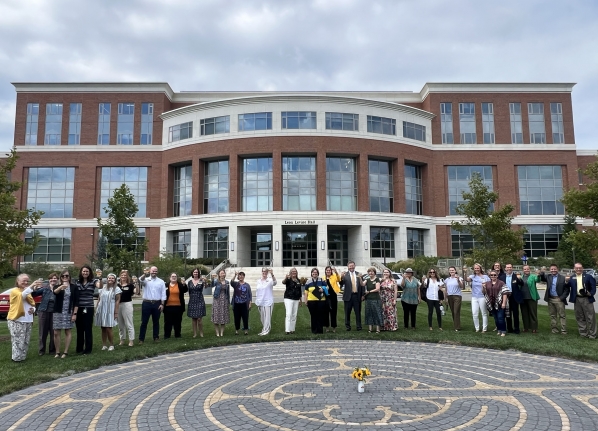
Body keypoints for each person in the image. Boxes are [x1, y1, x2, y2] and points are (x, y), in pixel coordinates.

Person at [7, 274, 38, 362]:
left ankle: (22, 357)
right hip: (17, 319)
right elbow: (21, 296)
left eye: (27, 281)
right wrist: (31, 286)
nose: (26, 282)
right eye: (24, 280)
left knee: (25, 340)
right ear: (18, 281)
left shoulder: (27, 291)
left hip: (27, 320)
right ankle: (16, 358)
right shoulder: (14, 291)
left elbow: (32, 303)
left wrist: (33, 309)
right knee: (17, 340)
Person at [567, 262, 597, 339]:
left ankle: (592, 334)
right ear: (574, 269)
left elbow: (593, 287)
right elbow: (567, 286)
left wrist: (590, 293)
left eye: (580, 268)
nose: (578, 269)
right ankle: (583, 333)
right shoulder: (572, 277)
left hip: (587, 298)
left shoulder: (588, 276)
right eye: (577, 268)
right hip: (577, 299)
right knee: (579, 316)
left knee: (590, 316)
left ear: (582, 268)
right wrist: (566, 281)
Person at [539, 264, 570, 334]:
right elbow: (542, 278)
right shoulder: (548, 277)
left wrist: (561, 298)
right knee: (553, 316)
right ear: (550, 270)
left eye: (554, 269)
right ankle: (554, 330)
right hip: (550, 299)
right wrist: (542, 272)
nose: (553, 270)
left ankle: (563, 330)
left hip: (559, 299)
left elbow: (567, 290)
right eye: (552, 269)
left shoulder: (562, 278)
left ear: (557, 269)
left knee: (562, 316)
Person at [31, 272, 57, 355]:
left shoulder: (59, 289)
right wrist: (34, 287)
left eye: (55, 278)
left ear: (57, 280)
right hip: (43, 311)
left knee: (53, 332)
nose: (53, 279)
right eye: (52, 278)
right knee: (43, 332)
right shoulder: (45, 288)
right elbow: (33, 294)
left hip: (54, 312)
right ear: (49, 280)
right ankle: (41, 350)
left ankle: (52, 350)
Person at [138, 266, 166, 344]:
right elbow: (140, 280)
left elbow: (163, 294)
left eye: (156, 271)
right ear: (150, 271)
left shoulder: (161, 281)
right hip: (146, 303)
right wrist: (144, 274)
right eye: (153, 271)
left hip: (157, 303)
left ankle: (156, 337)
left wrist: (162, 304)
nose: (154, 272)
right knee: (144, 322)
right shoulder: (146, 280)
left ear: (157, 272)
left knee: (156, 322)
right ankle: (141, 339)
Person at [72, 265, 96, 354]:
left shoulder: (93, 281)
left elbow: (99, 285)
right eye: (84, 271)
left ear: (89, 273)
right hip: (78, 308)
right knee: (79, 328)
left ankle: (88, 349)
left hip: (88, 308)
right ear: (81, 272)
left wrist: (100, 278)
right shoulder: (77, 282)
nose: (85, 273)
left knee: (88, 328)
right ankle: (79, 349)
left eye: (87, 271)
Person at [94, 273, 122, 351]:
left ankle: (111, 344)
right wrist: (96, 308)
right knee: (103, 327)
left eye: (112, 278)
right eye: (109, 278)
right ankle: (104, 345)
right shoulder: (103, 287)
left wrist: (116, 312)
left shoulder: (117, 289)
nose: (110, 279)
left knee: (108, 328)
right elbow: (99, 299)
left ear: (115, 280)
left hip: (110, 309)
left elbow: (117, 301)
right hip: (102, 308)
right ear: (107, 279)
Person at [52, 270, 75, 358]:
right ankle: (57, 352)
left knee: (67, 331)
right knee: (56, 332)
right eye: (63, 276)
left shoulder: (73, 287)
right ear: (61, 277)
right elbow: (55, 292)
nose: (65, 277)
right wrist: (61, 287)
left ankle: (65, 352)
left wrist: (74, 313)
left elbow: (76, 302)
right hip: (58, 311)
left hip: (68, 312)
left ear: (69, 277)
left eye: (67, 276)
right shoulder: (57, 286)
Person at [499, 263, 524, 334]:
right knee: (508, 314)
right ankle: (509, 328)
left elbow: (521, 284)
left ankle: (517, 329)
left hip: (514, 297)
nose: (509, 268)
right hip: (506, 297)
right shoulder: (502, 277)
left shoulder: (516, 276)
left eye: (510, 267)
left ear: (512, 268)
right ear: (505, 268)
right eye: (507, 267)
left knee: (516, 314)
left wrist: (519, 279)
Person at [483, 270, 509, 336]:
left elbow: (505, 293)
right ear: (490, 276)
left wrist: (504, 303)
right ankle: (499, 330)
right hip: (492, 304)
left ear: (497, 275)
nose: (493, 276)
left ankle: (503, 331)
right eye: (491, 275)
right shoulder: (487, 283)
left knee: (500, 318)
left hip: (499, 303)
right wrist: (483, 287)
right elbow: (484, 293)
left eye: (495, 275)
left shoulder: (501, 283)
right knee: (496, 318)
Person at [341, 261, 364, 331]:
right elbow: (341, 284)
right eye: (350, 266)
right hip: (348, 296)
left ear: (355, 266)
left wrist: (363, 295)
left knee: (358, 312)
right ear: (347, 267)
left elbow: (362, 285)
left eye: (352, 266)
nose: (351, 267)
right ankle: (348, 326)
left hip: (357, 296)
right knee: (347, 312)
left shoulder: (359, 274)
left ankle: (359, 326)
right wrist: (341, 277)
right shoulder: (345, 275)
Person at [304, 268, 328, 334]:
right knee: (313, 315)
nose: (315, 274)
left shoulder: (321, 280)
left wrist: (323, 289)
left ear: (318, 273)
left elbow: (327, 287)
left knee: (320, 315)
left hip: (321, 300)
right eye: (313, 272)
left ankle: (320, 330)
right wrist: (305, 300)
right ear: (311, 273)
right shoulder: (308, 281)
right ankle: (314, 330)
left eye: (316, 272)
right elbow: (306, 291)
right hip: (311, 301)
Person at [164, 273, 188, 339]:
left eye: (175, 276)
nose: (174, 277)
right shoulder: (166, 285)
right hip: (168, 306)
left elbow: (185, 290)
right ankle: (167, 335)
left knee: (177, 322)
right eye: (172, 276)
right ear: (170, 277)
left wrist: (184, 285)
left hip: (178, 307)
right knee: (168, 322)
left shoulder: (180, 285)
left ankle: (177, 334)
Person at [117, 270, 137, 346]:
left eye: (125, 275)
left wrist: (136, 284)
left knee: (129, 323)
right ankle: (122, 339)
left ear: (127, 276)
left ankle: (131, 340)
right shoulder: (117, 285)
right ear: (120, 276)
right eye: (122, 275)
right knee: (120, 324)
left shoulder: (130, 285)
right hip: (119, 305)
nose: (123, 276)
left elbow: (136, 292)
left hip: (127, 304)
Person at [467, 263, 490, 333]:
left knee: (484, 313)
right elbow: (467, 279)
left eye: (478, 268)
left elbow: (489, 286)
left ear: (480, 268)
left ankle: (484, 328)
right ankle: (477, 328)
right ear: (474, 269)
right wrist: (465, 272)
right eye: (475, 268)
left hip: (482, 297)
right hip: (474, 297)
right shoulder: (473, 276)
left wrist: (485, 286)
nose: (476, 269)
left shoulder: (485, 277)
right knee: (474, 313)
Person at [255, 267, 277, 336]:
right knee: (262, 317)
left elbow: (275, 282)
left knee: (267, 317)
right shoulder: (258, 281)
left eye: (265, 272)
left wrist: (272, 274)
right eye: (263, 271)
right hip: (260, 301)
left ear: (267, 273)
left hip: (268, 301)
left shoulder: (270, 280)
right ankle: (264, 329)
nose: (264, 273)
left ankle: (266, 330)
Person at [520, 265, 541, 333]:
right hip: (523, 298)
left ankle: (534, 328)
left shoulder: (533, 276)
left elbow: (537, 280)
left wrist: (538, 275)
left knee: (533, 313)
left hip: (531, 297)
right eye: (525, 269)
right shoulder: (521, 277)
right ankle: (526, 327)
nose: (526, 270)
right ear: (523, 270)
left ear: (530, 269)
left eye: (527, 269)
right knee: (524, 313)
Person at [230, 271, 252, 335]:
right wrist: (235, 275)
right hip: (236, 303)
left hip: (245, 303)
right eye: (240, 275)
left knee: (245, 317)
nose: (241, 277)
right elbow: (231, 282)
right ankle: (237, 330)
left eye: (242, 275)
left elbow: (250, 294)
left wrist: (250, 303)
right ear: (238, 277)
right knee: (237, 318)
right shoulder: (236, 284)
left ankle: (246, 330)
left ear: (244, 277)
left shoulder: (247, 285)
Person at [187, 268, 207, 338]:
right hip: (192, 300)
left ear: (198, 273)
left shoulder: (201, 281)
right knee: (194, 318)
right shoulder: (189, 282)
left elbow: (206, 287)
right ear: (192, 273)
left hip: (200, 300)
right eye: (194, 272)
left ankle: (201, 332)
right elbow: (189, 291)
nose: (195, 273)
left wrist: (205, 282)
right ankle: (195, 333)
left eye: (197, 272)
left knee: (199, 318)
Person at [282, 267, 303, 334]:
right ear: (290, 273)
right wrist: (286, 278)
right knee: (289, 314)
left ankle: (292, 329)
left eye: (295, 272)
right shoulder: (288, 279)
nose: (294, 273)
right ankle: (287, 330)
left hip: (296, 299)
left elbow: (299, 290)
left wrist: (300, 299)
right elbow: (283, 282)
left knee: (294, 314)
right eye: (292, 272)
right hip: (288, 298)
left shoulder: (298, 281)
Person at [211, 269, 231, 337]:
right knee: (216, 316)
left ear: (225, 274)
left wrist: (228, 301)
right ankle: (217, 332)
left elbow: (228, 292)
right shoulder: (216, 281)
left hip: (224, 300)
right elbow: (211, 285)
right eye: (221, 273)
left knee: (223, 316)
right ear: (219, 274)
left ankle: (221, 332)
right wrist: (213, 278)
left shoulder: (227, 282)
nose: (222, 274)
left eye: (223, 273)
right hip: (217, 299)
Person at [363, 267, 383, 333]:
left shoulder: (377, 279)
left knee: (377, 313)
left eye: (372, 271)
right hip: (368, 299)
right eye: (369, 272)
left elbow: (377, 289)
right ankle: (370, 329)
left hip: (376, 299)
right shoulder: (367, 280)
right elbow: (362, 284)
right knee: (369, 313)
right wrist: (359, 278)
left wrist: (369, 291)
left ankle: (378, 329)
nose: (370, 273)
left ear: (374, 273)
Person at [444, 266, 464, 331]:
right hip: (450, 296)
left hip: (457, 296)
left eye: (453, 270)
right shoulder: (447, 280)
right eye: (450, 270)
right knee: (453, 311)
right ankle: (456, 324)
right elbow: (446, 290)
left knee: (456, 311)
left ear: (455, 271)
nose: (451, 271)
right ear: (449, 271)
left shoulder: (459, 278)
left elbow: (462, 286)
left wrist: (458, 280)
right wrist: (445, 298)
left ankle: (457, 327)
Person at [323, 266, 341, 332]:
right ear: (325, 271)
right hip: (326, 296)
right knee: (326, 312)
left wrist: (336, 272)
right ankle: (327, 327)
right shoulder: (323, 278)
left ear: (331, 271)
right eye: (327, 270)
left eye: (329, 270)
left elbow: (339, 279)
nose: (328, 271)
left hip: (333, 296)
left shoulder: (334, 276)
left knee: (333, 312)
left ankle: (334, 327)